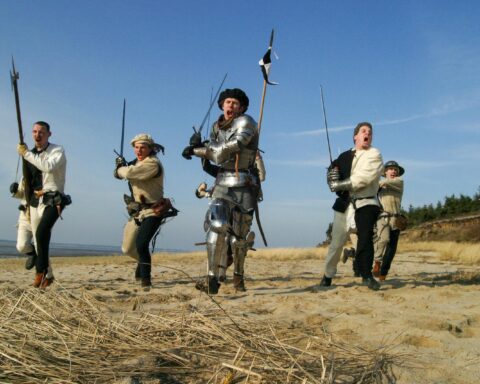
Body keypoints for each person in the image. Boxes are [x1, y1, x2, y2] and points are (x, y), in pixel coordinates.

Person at [182, 88, 260, 294]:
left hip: (245, 183)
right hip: (223, 183)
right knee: (216, 225)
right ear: (222, 105)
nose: (230, 106)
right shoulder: (217, 127)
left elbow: (225, 151)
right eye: (227, 102)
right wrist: (199, 147)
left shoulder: (247, 123)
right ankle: (212, 278)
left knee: (239, 238)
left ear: (241, 107)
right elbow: (214, 154)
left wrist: (197, 150)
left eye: (234, 103)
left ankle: (239, 275)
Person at [321, 122, 383, 290]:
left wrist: (339, 185)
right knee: (337, 243)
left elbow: (364, 177)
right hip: (344, 204)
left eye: (370, 132)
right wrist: (331, 176)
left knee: (365, 238)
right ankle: (327, 276)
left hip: (366, 201)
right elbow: (334, 173)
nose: (367, 134)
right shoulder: (344, 156)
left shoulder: (374, 154)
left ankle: (366, 275)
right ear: (355, 136)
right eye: (364, 131)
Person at [115, 134, 175, 289]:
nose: (139, 150)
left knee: (142, 244)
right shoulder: (135, 163)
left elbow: (128, 174)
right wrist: (122, 167)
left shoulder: (152, 164)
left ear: (150, 148)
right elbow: (125, 172)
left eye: (143, 147)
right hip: (138, 212)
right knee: (127, 249)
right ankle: (142, 264)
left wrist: (120, 168)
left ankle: (145, 281)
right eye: (136, 147)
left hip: (154, 211)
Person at [16, 121, 68, 288]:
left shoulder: (57, 150)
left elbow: (48, 167)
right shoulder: (29, 154)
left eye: (41, 132)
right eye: (35, 132)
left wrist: (26, 154)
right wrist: (16, 191)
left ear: (49, 134)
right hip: (33, 202)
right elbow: (27, 183)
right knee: (39, 242)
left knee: (42, 233)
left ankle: (40, 273)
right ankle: (48, 275)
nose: (37, 135)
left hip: (52, 199)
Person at [372, 160, 405, 281]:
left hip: (396, 219)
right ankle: (377, 262)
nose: (394, 171)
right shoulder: (379, 185)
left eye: (396, 169)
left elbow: (383, 182)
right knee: (384, 239)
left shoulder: (399, 182)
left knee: (391, 249)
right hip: (383, 217)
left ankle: (383, 274)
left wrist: (377, 183)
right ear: (385, 171)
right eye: (391, 169)